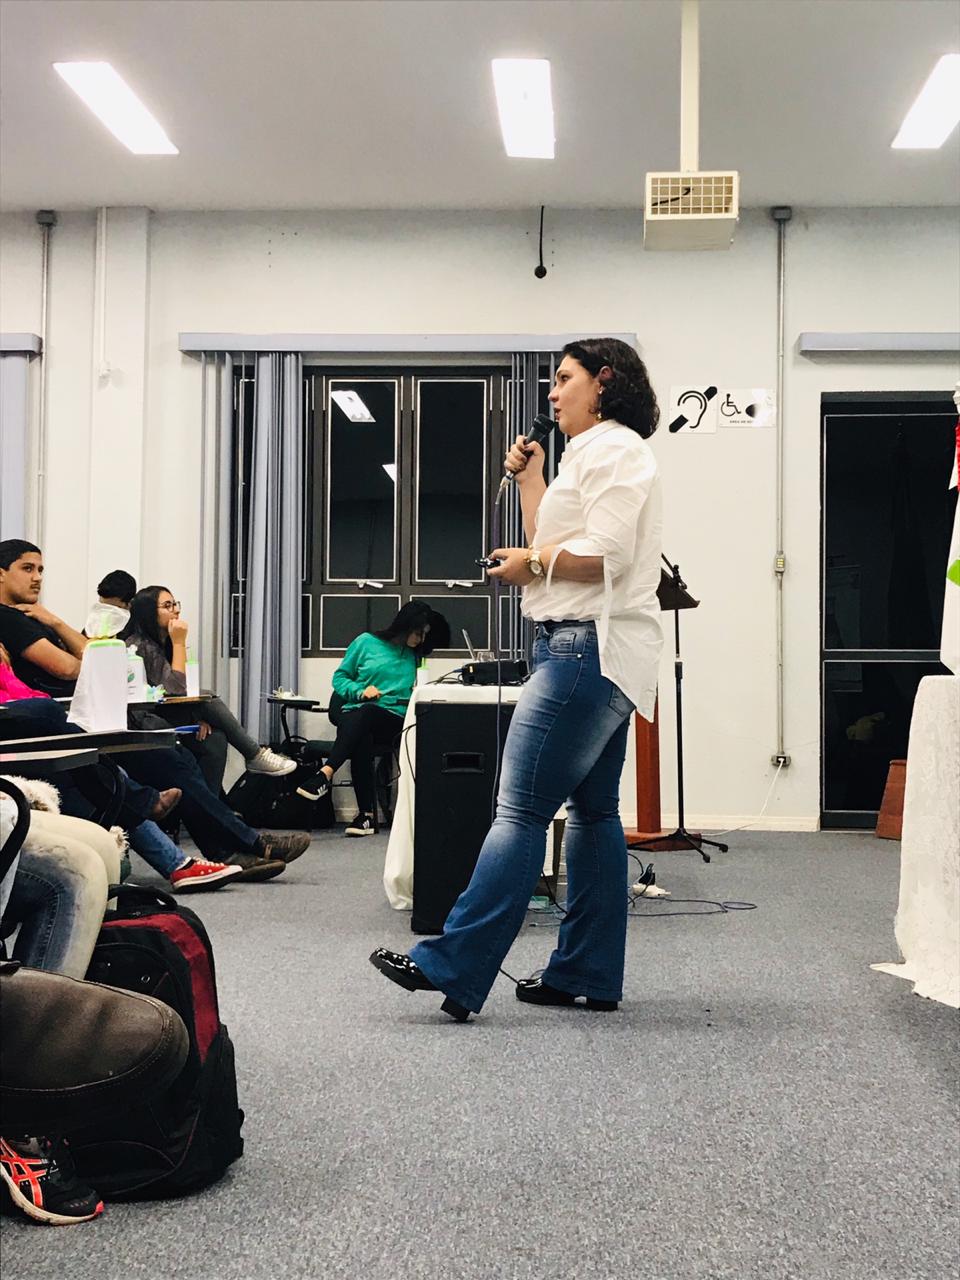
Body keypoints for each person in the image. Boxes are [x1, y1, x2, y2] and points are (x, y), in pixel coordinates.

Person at [370, 337, 663, 1020]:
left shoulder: (616, 449)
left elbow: (606, 555)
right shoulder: (585, 454)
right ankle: (584, 974)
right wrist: (532, 482)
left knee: (520, 810)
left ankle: (452, 964)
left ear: (604, 381)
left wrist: (531, 565)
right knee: (594, 812)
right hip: (594, 650)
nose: (552, 394)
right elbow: (552, 543)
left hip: (585, 648)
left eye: (564, 379)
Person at [0, 547, 306, 877]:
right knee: (169, 756)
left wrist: (54, 621)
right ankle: (245, 840)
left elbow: (91, 653)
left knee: (176, 758)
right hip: (63, 728)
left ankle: (233, 847)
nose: (37, 578)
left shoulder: (34, 617)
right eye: (27, 568)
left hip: (89, 718)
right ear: (1, 573)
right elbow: (70, 667)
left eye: (41, 570)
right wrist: (69, 640)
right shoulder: (8, 618)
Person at [123, 586, 295, 793]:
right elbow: (176, 689)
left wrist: (196, 719)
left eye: (175, 604)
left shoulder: (164, 642)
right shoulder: (139, 645)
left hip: (167, 713)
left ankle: (210, 807)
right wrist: (179, 642)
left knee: (215, 740)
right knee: (209, 697)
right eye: (167, 606)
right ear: (148, 612)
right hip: (146, 721)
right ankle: (254, 754)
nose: (176, 610)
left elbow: (179, 691)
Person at [306, 602, 445, 837]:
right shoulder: (365, 643)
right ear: (405, 626)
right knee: (362, 732)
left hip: (394, 720)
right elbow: (340, 679)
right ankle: (366, 817)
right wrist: (361, 691)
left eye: (425, 634)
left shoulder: (415, 655)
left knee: (365, 715)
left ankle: (325, 773)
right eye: (418, 633)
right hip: (360, 716)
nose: (421, 639)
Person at [83, 568, 136, 640]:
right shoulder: (92, 626)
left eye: (113, 608)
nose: (107, 612)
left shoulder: (136, 633)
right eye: (103, 606)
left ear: (129, 604)